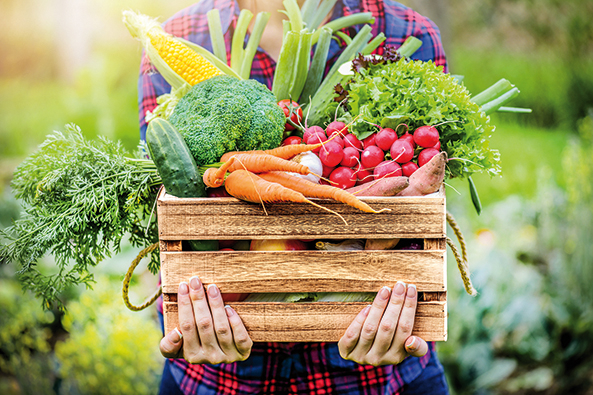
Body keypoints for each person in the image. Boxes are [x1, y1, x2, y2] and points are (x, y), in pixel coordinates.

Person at [137, 1, 450, 394]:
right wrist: (189, 313)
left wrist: (405, 315)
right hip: (218, 382)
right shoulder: (175, 38)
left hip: (381, 379)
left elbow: (424, 215)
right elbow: (171, 210)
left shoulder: (409, 33)